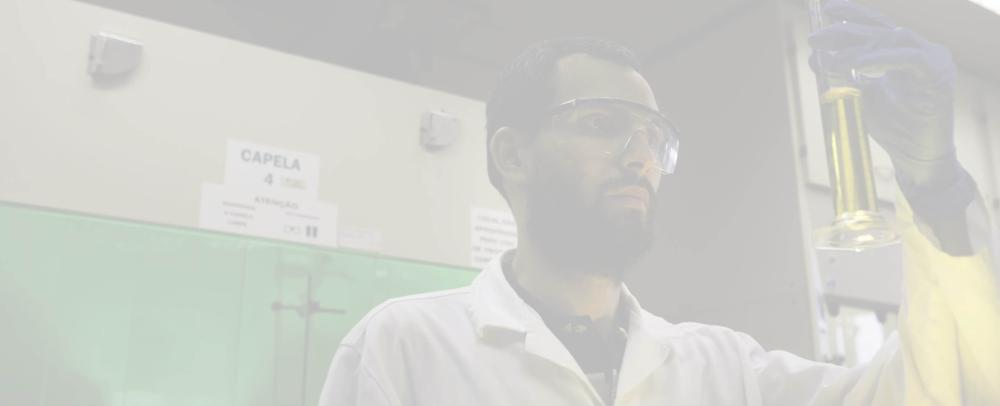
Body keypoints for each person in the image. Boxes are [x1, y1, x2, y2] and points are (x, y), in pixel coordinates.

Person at [318, 2, 999, 404]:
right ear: (513, 155)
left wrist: (935, 188)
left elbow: (934, 391)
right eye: (601, 123)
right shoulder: (406, 348)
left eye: (653, 136)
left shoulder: (721, 370)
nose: (640, 154)